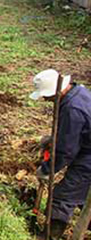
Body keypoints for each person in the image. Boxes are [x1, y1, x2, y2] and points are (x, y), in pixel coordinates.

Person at [31, 69, 91, 239]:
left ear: (56, 91)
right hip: (87, 148)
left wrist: (47, 169)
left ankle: (49, 236)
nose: (45, 99)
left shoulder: (73, 109)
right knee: (84, 197)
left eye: (46, 96)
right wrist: (53, 139)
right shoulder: (78, 92)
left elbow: (66, 150)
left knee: (63, 195)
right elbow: (76, 131)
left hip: (88, 157)